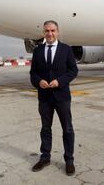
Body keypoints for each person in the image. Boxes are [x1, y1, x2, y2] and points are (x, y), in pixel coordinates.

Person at [30, 20, 78, 176]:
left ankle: (69, 160)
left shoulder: (66, 49)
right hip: (44, 97)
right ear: (43, 33)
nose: (50, 34)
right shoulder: (38, 51)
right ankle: (45, 158)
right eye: (47, 31)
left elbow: (73, 71)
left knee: (67, 129)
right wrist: (39, 81)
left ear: (57, 32)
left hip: (62, 96)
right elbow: (33, 73)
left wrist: (60, 81)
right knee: (45, 128)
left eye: (52, 30)